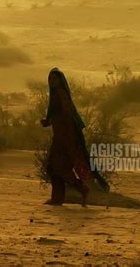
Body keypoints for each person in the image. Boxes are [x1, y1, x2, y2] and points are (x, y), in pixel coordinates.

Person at [40, 68, 97, 206]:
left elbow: (66, 115)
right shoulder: (56, 95)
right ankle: (58, 199)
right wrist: (48, 122)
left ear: (60, 80)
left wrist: (66, 137)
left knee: (57, 167)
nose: (52, 82)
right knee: (54, 168)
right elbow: (58, 115)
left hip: (64, 138)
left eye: (54, 79)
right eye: (50, 79)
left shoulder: (60, 94)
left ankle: (81, 189)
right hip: (60, 137)